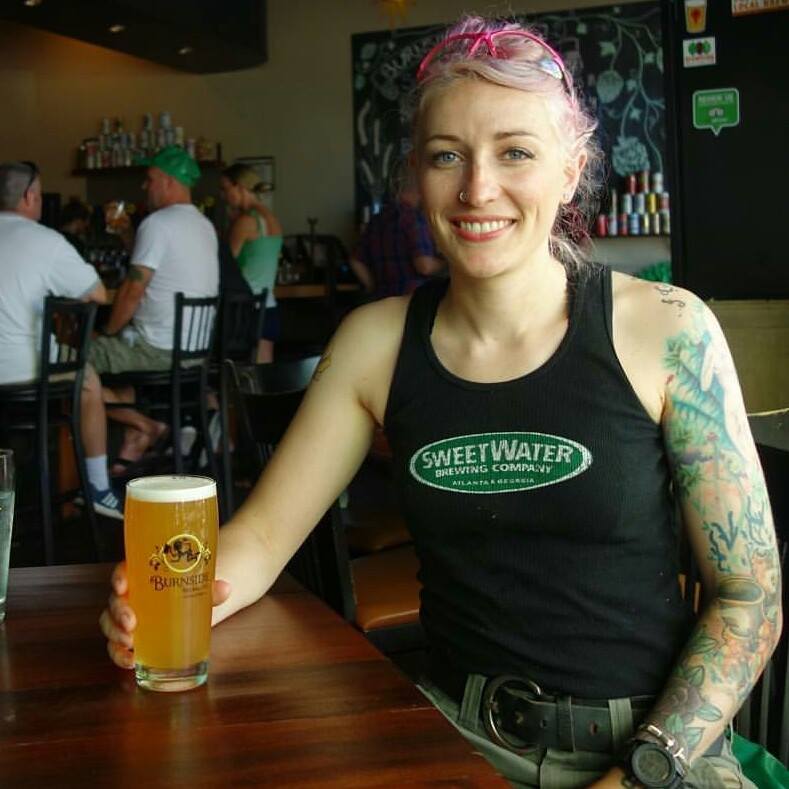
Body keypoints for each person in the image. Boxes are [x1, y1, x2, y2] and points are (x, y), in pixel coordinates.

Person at [100, 17, 781, 788]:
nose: (476, 189)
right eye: (445, 156)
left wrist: (644, 768)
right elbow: (258, 543)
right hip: (454, 734)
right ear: (413, 177)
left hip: (654, 745)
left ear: (570, 170)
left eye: (514, 152)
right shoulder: (374, 344)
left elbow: (748, 597)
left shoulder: (670, 329)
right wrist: (165, 606)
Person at [0, 161, 122, 518]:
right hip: (28, 372)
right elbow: (98, 294)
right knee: (87, 381)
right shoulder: (47, 241)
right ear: (29, 196)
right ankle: (97, 489)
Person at [90, 146, 219, 473]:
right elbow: (159, 265)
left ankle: (144, 428)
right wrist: (126, 235)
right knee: (110, 366)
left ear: (170, 181)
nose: (144, 188)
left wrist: (106, 332)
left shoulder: (158, 222)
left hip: (156, 350)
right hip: (193, 353)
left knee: (68, 365)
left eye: (150, 180)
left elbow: (133, 290)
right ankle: (136, 435)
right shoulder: (204, 226)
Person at [219, 163, 283, 363]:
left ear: (239, 187)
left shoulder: (246, 221)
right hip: (268, 305)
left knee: (234, 373)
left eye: (225, 188)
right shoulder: (272, 218)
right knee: (262, 373)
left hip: (244, 308)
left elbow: (226, 264)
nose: (223, 196)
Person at [350, 180, 445, 299]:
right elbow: (425, 266)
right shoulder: (414, 219)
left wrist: (372, 286)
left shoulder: (376, 220)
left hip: (382, 301)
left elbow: (356, 261)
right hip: (414, 300)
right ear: (420, 191)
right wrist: (449, 263)